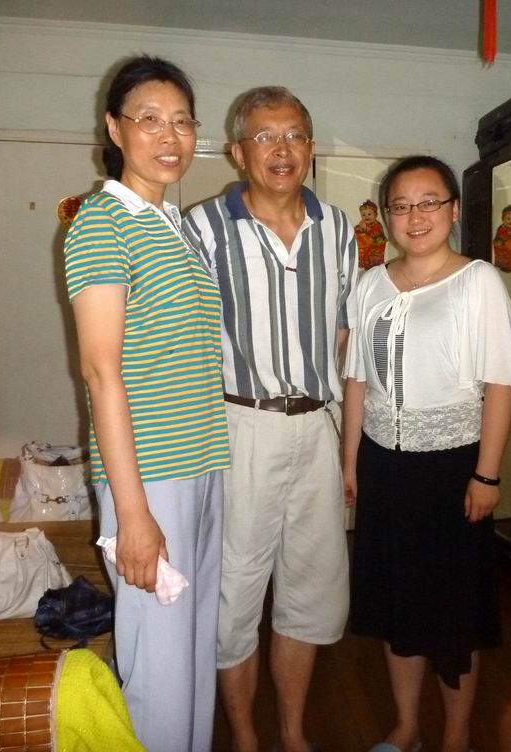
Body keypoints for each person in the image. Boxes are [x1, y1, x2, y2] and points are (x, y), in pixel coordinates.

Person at [183, 86, 358, 752]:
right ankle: (246, 738)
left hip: (317, 427)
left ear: (310, 148)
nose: (281, 149)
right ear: (237, 152)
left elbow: (344, 338)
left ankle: (293, 733)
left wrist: (346, 443)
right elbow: (183, 342)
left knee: (311, 592)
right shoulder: (201, 227)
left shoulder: (338, 228)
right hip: (239, 428)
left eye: (294, 135)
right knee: (234, 593)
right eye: (265, 136)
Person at [63, 56, 229, 751]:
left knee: (191, 655)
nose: (170, 136)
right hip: (152, 479)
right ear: (115, 128)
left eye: (183, 121)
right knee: (159, 670)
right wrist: (132, 515)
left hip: (203, 465)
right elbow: (101, 374)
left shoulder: (174, 226)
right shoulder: (100, 223)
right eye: (150, 118)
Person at [341, 155, 511, 752]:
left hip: (452, 468)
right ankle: (407, 727)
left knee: (453, 611)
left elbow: (500, 384)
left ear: (453, 209)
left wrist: (487, 475)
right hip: (383, 465)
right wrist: (349, 463)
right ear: (386, 215)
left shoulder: (478, 281)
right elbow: (357, 380)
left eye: (428, 203)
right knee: (397, 603)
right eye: (400, 206)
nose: (414, 217)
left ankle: (456, 736)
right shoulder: (370, 283)